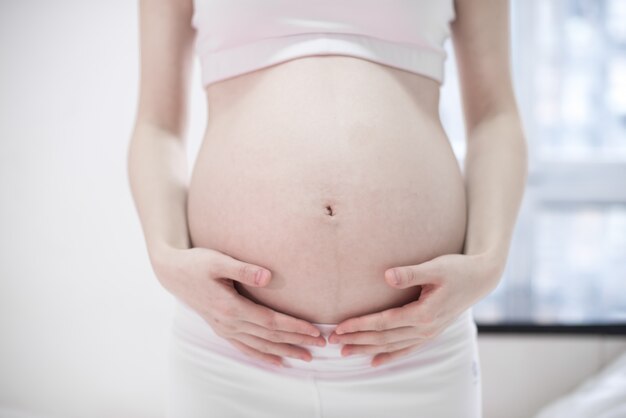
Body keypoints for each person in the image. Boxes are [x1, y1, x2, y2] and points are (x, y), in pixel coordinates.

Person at [127, 0, 528, 416]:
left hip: (416, 348)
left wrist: (489, 263)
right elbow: (157, 126)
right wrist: (165, 257)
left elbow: (494, 117)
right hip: (230, 347)